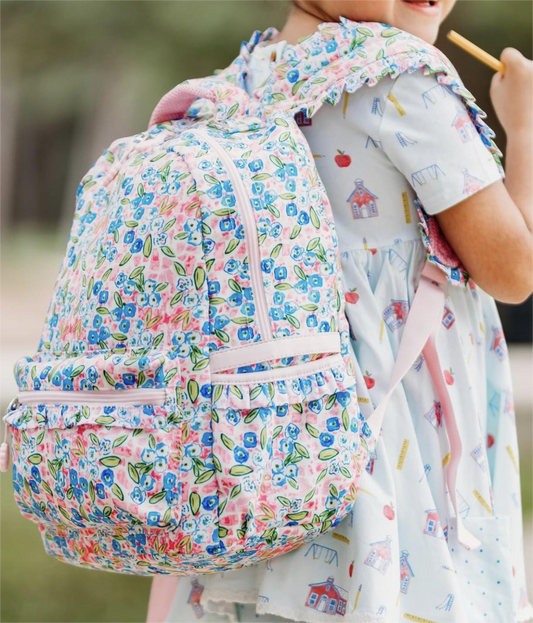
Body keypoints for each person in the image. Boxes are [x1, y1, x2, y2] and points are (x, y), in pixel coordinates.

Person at [158, 1, 533, 621]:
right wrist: (525, 129)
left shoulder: (234, 86)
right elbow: (515, 271)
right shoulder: (401, 77)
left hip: (261, 460)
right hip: (392, 452)